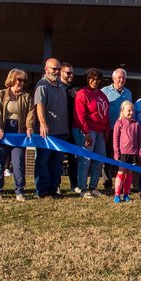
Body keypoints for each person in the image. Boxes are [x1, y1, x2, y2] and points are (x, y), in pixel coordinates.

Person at [0, 69, 35, 202]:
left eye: (23, 81)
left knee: (18, 162)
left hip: (19, 133)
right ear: (12, 79)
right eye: (19, 80)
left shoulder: (26, 96)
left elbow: (30, 114)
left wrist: (29, 127)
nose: (21, 83)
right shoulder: (1, 94)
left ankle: (19, 191)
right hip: (3, 132)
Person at [33, 58, 69, 199]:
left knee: (57, 164)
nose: (57, 72)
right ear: (46, 69)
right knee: (43, 162)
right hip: (47, 133)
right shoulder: (42, 85)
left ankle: (53, 189)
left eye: (59, 69)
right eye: (54, 69)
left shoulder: (61, 85)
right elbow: (39, 106)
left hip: (61, 131)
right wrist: (43, 124)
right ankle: (42, 191)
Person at [74, 68, 109, 198]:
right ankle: (82, 187)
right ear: (88, 79)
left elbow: (105, 115)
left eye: (97, 79)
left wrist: (106, 130)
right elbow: (79, 115)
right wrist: (86, 132)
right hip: (86, 130)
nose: (94, 81)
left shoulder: (102, 95)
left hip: (100, 131)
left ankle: (93, 187)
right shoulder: (82, 93)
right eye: (92, 79)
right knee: (85, 159)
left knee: (100, 159)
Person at [101, 68, 132, 190]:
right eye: (119, 77)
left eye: (123, 78)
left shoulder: (128, 93)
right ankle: (107, 183)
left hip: (124, 131)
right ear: (113, 78)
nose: (121, 80)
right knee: (108, 155)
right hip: (109, 129)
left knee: (122, 156)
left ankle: (123, 183)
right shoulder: (104, 91)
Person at [112, 100, 141, 203]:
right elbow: (115, 139)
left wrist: (140, 151)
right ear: (122, 111)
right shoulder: (119, 123)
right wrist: (116, 152)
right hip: (123, 153)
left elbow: (139, 139)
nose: (131, 112)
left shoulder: (136, 124)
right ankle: (117, 194)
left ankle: (126, 194)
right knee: (121, 172)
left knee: (129, 173)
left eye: (132, 110)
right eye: (128, 110)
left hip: (133, 153)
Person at [60, 62, 80, 193]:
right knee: (57, 158)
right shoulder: (56, 88)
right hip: (59, 128)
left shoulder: (76, 90)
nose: (71, 75)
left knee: (74, 159)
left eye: (72, 72)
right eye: (68, 73)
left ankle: (74, 185)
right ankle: (56, 185)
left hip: (73, 129)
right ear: (61, 73)